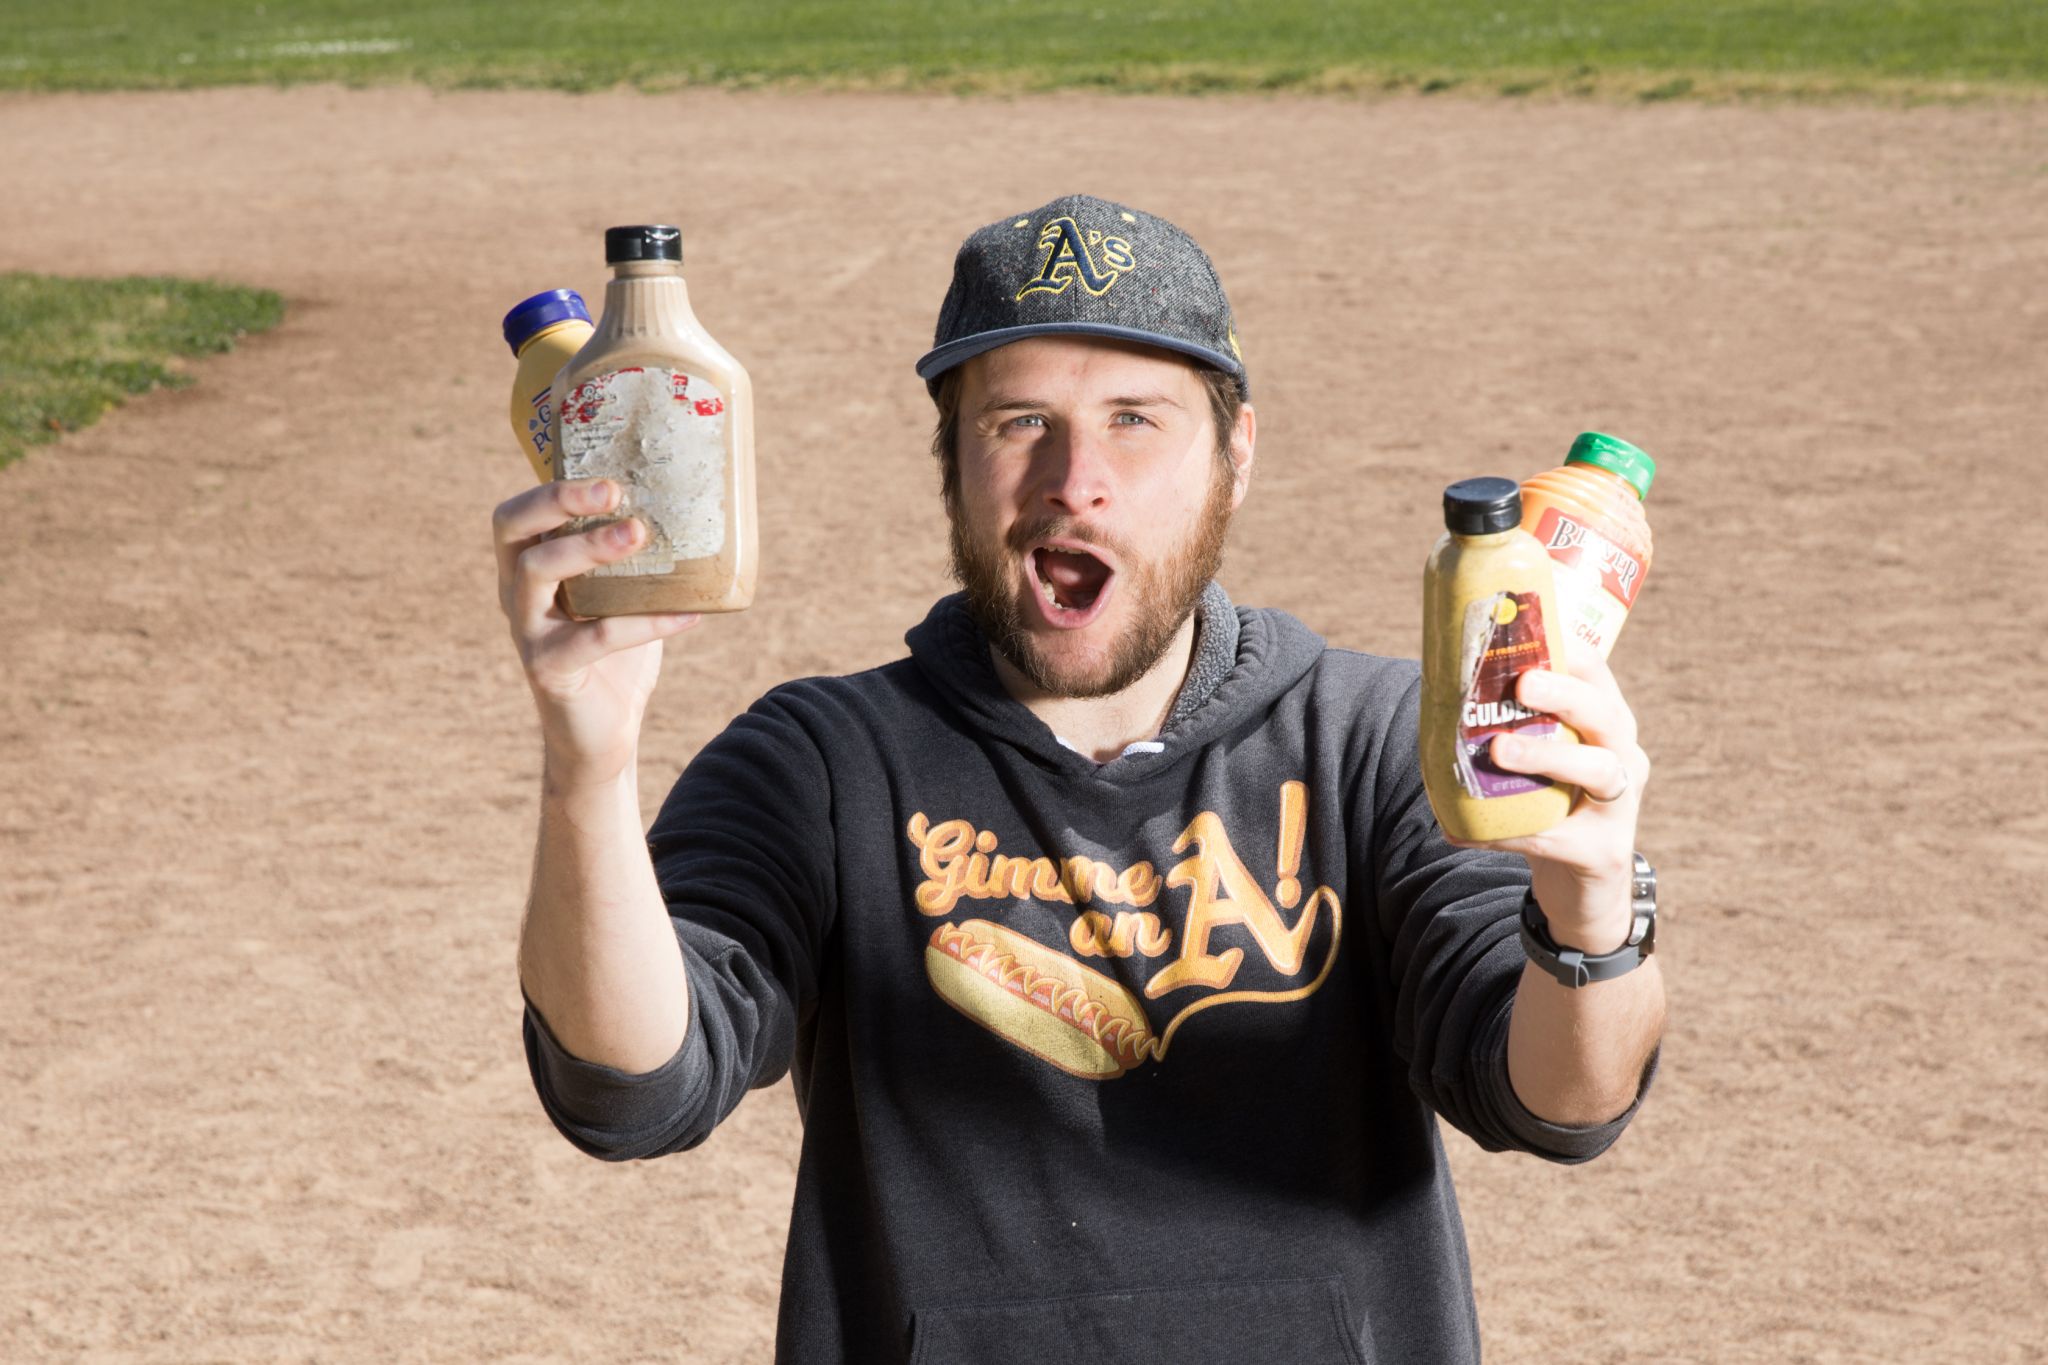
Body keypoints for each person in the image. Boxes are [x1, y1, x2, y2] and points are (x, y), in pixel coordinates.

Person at [492, 193, 1664, 1364]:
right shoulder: (821, 762)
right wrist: (583, 762)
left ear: (1234, 458)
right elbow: (630, 1088)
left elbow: (1560, 1104)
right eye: (1016, 424)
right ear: (949, 461)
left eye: (1135, 421)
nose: (1075, 479)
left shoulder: (1371, 739)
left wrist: (1590, 905)